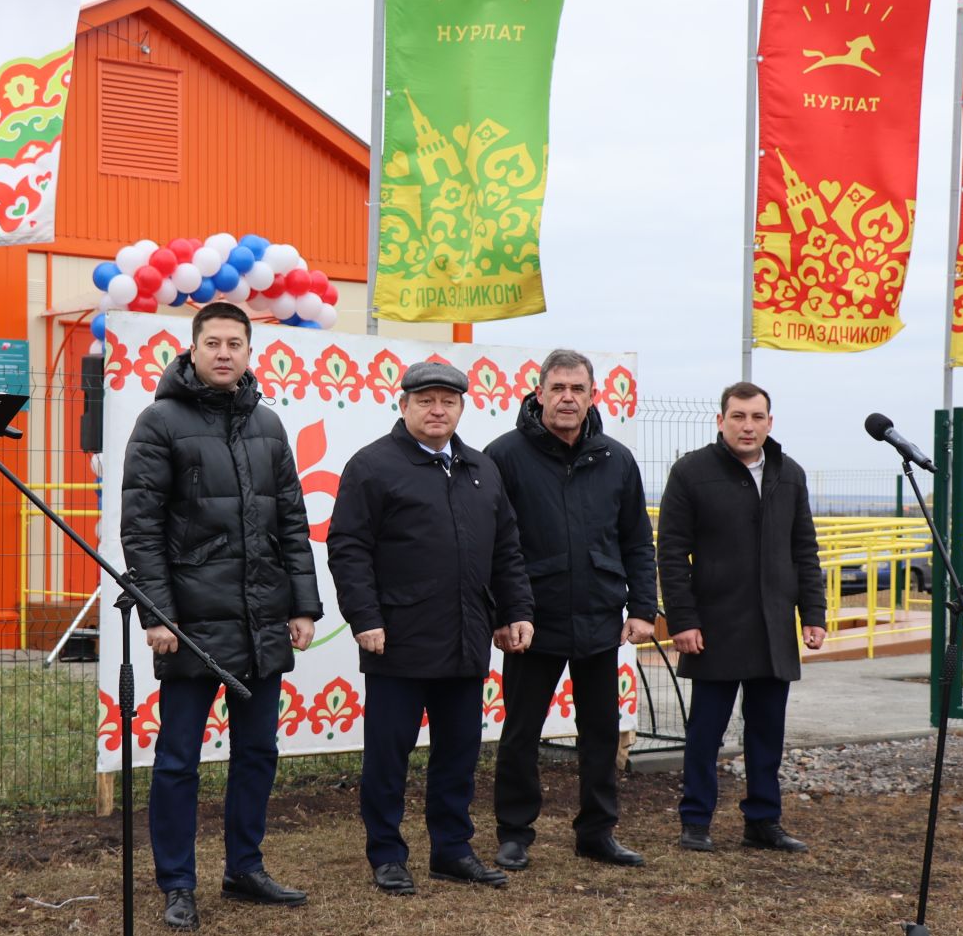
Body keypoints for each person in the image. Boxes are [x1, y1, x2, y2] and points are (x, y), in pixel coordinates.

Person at [121, 300, 322, 933]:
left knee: (257, 751)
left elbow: (291, 520)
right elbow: (141, 528)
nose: (225, 353)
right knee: (179, 759)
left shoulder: (268, 425)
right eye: (214, 343)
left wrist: (303, 604)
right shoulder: (159, 423)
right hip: (190, 627)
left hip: (263, 619)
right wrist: (158, 615)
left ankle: (245, 868)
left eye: (236, 343)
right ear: (193, 348)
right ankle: (178, 882)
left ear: (248, 351)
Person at [327, 361, 534, 896]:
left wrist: (516, 611)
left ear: (462, 407)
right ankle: (387, 854)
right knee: (389, 755)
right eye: (425, 400)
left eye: (447, 400)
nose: (437, 409)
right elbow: (348, 548)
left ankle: (452, 849)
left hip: (467, 637)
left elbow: (507, 549)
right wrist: (365, 617)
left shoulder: (481, 469)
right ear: (404, 406)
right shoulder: (372, 466)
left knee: (459, 752)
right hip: (398, 637)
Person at [485, 349, 660, 871]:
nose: (567, 397)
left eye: (577, 389)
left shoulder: (616, 459)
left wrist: (643, 607)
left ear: (591, 396)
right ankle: (515, 834)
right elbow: (491, 544)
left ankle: (597, 832)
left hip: (600, 618)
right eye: (557, 388)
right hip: (530, 622)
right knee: (521, 731)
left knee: (602, 731)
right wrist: (502, 613)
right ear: (538, 393)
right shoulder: (504, 456)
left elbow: (637, 542)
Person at [657, 381, 825, 855]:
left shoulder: (789, 474)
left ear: (770, 422)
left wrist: (813, 612)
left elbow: (804, 550)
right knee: (705, 731)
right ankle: (695, 821)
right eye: (738, 416)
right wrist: (683, 620)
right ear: (721, 420)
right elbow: (671, 553)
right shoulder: (691, 472)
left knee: (767, 730)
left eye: (756, 417)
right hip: (714, 627)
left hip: (774, 628)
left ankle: (763, 821)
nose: (747, 426)